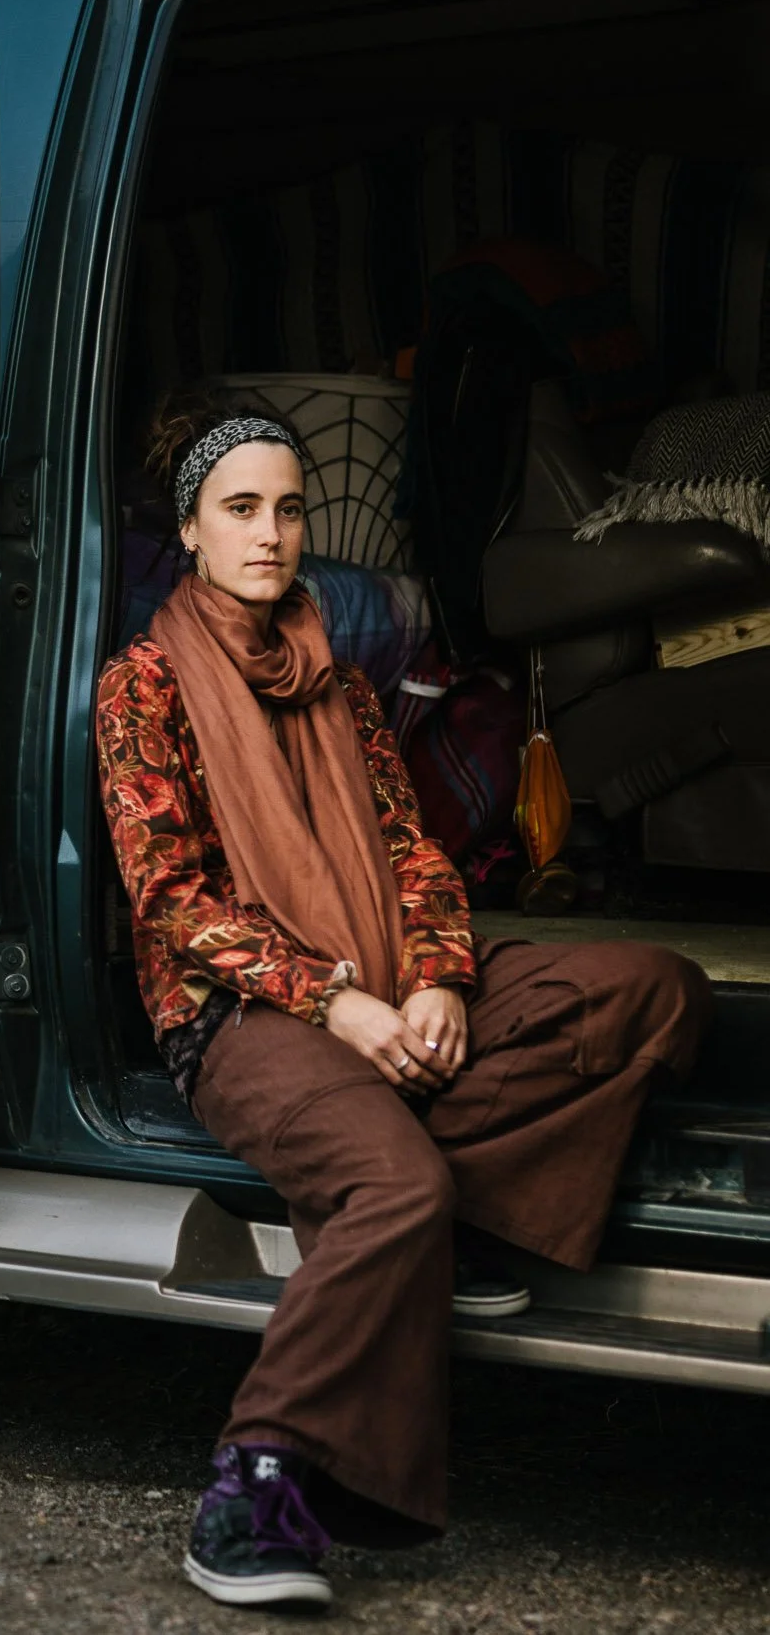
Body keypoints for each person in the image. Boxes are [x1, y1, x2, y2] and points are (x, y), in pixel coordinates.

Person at [94, 399, 711, 1611]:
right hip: (243, 1015)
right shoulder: (144, 683)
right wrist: (334, 1005)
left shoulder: (336, 674)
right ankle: (256, 1482)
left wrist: (429, 977)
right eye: (240, 511)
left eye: (286, 510)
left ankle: (446, 1228)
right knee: (390, 1188)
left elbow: (412, 849)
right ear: (190, 532)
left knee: (651, 991)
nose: (268, 535)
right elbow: (170, 903)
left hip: (376, 976)